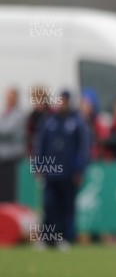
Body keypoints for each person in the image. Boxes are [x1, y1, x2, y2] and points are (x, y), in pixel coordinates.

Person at [34, 90, 90, 249]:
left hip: (68, 172)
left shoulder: (77, 121)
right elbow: (40, 144)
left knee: (67, 206)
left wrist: (80, 169)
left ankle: (65, 238)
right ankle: (47, 238)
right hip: (50, 172)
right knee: (49, 206)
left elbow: (83, 147)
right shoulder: (49, 120)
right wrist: (38, 165)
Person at [0, 88, 26, 202]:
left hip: (12, 158)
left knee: (10, 190)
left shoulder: (18, 116)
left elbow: (7, 131)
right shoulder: (4, 113)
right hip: (3, 158)